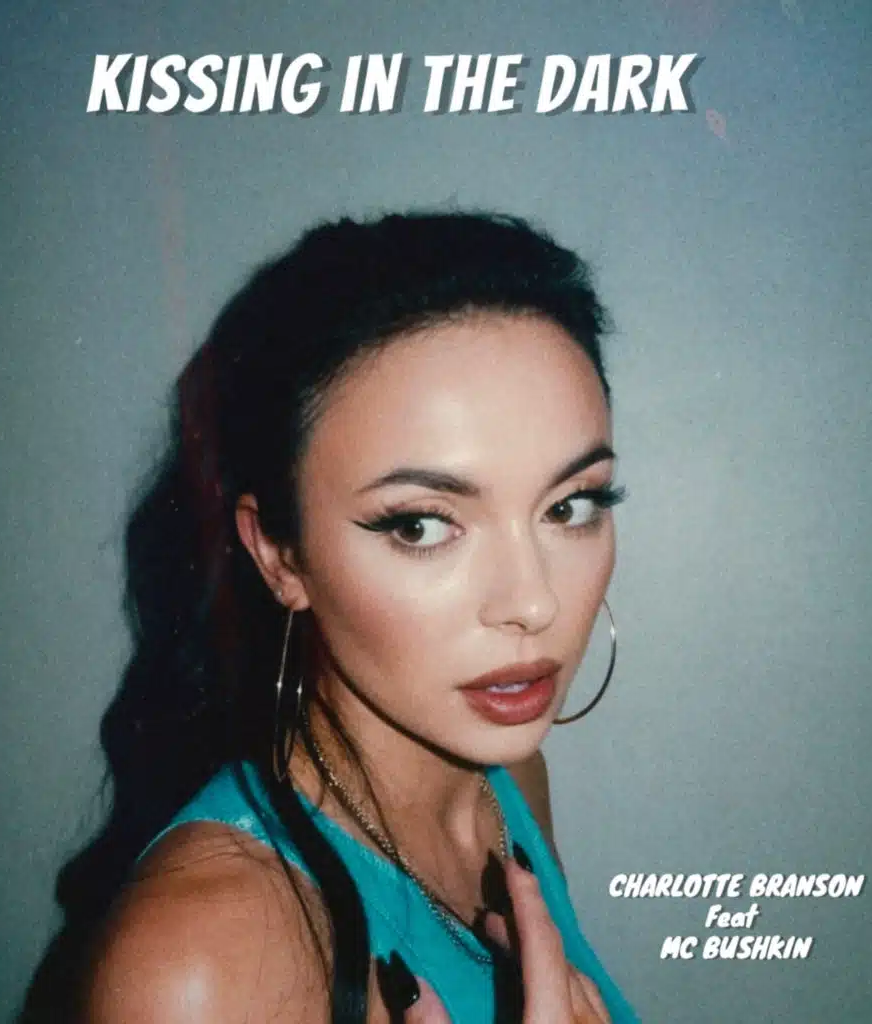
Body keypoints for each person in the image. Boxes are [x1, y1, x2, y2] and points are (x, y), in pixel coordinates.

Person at [32, 211, 640, 1023]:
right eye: (420, 525)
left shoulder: (505, 784)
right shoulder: (193, 967)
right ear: (278, 554)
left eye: (570, 506)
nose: (535, 602)